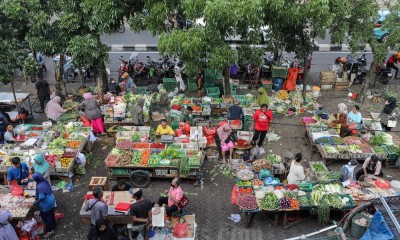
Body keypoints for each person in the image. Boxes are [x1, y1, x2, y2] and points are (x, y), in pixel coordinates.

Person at [32, 173, 56, 238]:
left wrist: (34, 203)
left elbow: (42, 197)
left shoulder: (40, 186)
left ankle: (50, 231)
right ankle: (53, 225)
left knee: (46, 216)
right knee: (51, 213)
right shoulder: (44, 181)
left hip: (46, 203)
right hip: (51, 199)